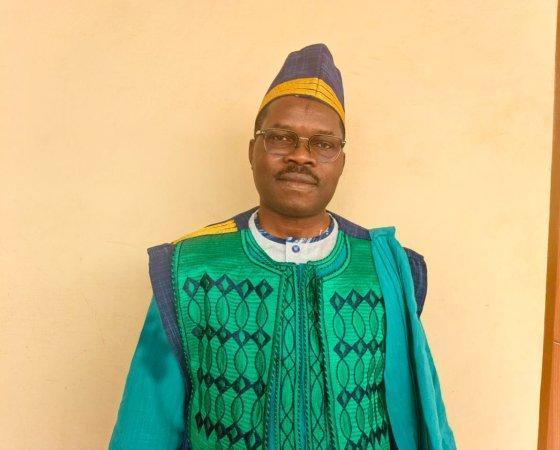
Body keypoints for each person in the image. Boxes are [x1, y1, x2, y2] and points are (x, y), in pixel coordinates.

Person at [109, 43, 456, 450]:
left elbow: (417, 418)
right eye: (280, 138)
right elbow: (147, 424)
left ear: (341, 162)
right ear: (252, 151)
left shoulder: (386, 269)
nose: (300, 156)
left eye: (323, 144)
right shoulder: (188, 268)